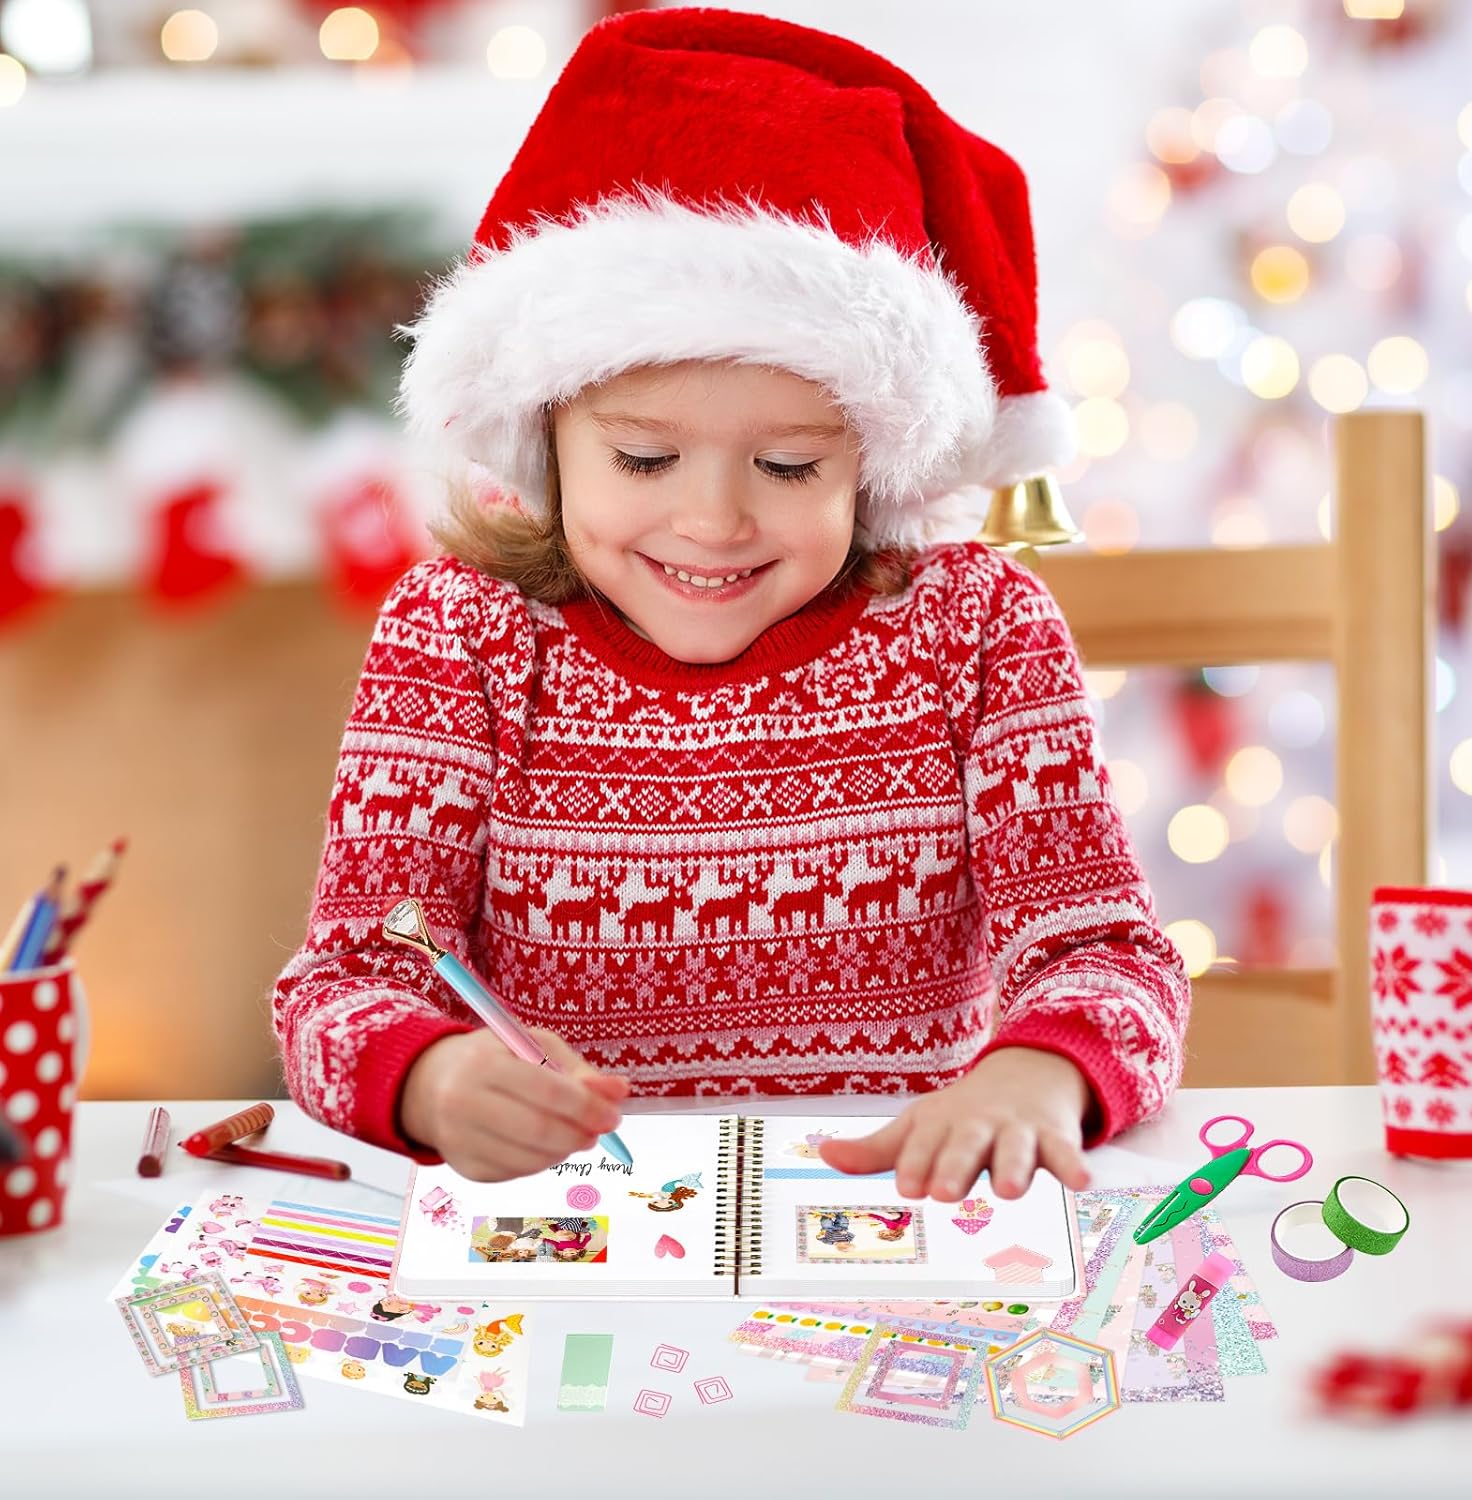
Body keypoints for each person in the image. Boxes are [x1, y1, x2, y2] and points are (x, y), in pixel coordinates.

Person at [270, 7, 1189, 1206]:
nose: (711, 523)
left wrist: (1036, 1074)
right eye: (645, 462)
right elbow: (340, 984)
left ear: (876, 464)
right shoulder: (458, 633)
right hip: (569, 1262)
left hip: (895, 1241)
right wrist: (431, 1078)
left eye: (791, 468)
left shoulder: (979, 628)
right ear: (548, 441)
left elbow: (1108, 957)